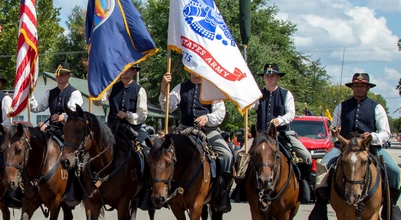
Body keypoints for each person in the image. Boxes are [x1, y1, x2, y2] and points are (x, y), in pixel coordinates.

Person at [307, 72, 401, 220]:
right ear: (352, 88)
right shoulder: (342, 106)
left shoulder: (377, 107)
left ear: (367, 88)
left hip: (369, 148)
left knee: (394, 171)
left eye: (362, 86)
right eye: (356, 86)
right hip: (344, 148)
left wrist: (372, 136)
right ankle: (321, 203)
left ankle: (390, 206)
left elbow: (386, 132)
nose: (359, 89)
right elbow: (334, 132)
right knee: (323, 166)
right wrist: (335, 133)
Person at [160, 69, 234, 212]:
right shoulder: (180, 87)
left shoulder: (212, 88)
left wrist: (207, 118)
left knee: (227, 155)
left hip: (208, 130)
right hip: (184, 130)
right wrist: (164, 87)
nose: (195, 70)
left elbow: (220, 112)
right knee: (161, 153)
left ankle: (221, 192)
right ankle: (162, 191)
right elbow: (167, 108)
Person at [252, 63, 314, 203]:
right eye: (267, 75)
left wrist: (279, 120)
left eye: (272, 75)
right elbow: (251, 106)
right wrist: (246, 99)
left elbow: (291, 114)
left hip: (282, 134)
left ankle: (305, 185)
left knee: (306, 156)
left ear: (278, 77)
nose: (269, 78)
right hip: (262, 136)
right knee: (241, 157)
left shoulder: (286, 94)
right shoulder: (258, 95)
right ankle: (240, 190)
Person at [30, 65, 83, 141]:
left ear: (68, 76)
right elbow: (36, 108)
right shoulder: (50, 93)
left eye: (62, 74)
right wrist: (30, 95)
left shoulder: (75, 93)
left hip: (69, 132)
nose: (59, 76)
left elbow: (72, 113)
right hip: (52, 131)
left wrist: (62, 117)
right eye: (57, 74)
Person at [101, 65, 149, 144]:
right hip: (112, 127)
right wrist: (93, 91)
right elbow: (99, 101)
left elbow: (142, 115)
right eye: (122, 68)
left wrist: (127, 115)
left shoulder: (139, 90)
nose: (123, 70)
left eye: (127, 68)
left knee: (147, 147)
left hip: (133, 128)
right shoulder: (111, 87)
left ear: (134, 71)